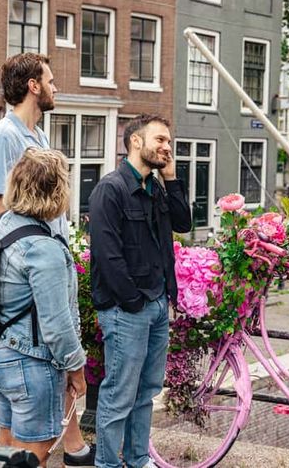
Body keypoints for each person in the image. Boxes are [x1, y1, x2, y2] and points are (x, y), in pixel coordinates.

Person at [0, 53, 93, 465]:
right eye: (51, 79)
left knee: (15, 443)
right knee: (31, 451)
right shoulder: (3, 137)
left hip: (44, 269)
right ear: (32, 85)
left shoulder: (39, 137)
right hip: (29, 292)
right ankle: (73, 448)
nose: (56, 86)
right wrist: (35, 259)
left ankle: (76, 445)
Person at [89, 114, 192, 468]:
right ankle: (107, 464)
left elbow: (183, 223)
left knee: (147, 392)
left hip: (158, 304)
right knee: (119, 395)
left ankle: (138, 459)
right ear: (136, 141)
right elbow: (107, 253)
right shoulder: (111, 189)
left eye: (169, 142)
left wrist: (172, 176)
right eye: (160, 140)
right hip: (126, 309)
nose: (167, 147)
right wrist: (132, 301)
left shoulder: (156, 187)